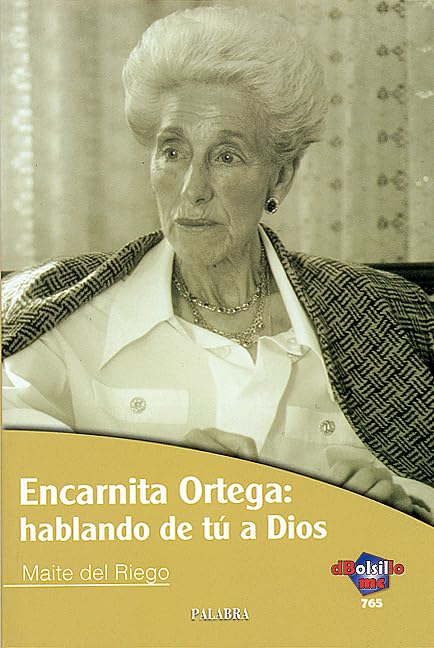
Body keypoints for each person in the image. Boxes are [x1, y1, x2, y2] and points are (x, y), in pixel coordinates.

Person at [2, 6, 433, 521]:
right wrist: (151, 491)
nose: (193, 189)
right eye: (173, 152)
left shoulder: (382, 319)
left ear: (280, 178)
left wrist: (406, 515)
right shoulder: (62, 315)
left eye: (226, 156)